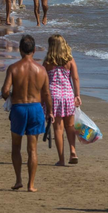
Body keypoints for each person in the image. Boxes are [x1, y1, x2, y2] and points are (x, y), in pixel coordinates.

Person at [1, 34, 52, 192]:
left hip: (19, 108)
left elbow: (4, 91)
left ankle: (18, 180)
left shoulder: (14, 68)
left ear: (20, 49)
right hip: (36, 108)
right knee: (33, 149)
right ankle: (31, 185)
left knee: (16, 146)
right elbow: (46, 94)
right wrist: (50, 112)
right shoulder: (41, 70)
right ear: (34, 50)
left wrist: (10, 96)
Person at [42, 35, 81, 166]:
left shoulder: (48, 61)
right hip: (68, 95)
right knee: (70, 126)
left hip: (54, 97)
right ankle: (73, 151)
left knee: (58, 129)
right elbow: (75, 78)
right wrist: (77, 95)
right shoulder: (70, 60)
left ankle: (62, 159)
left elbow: (43, 80)